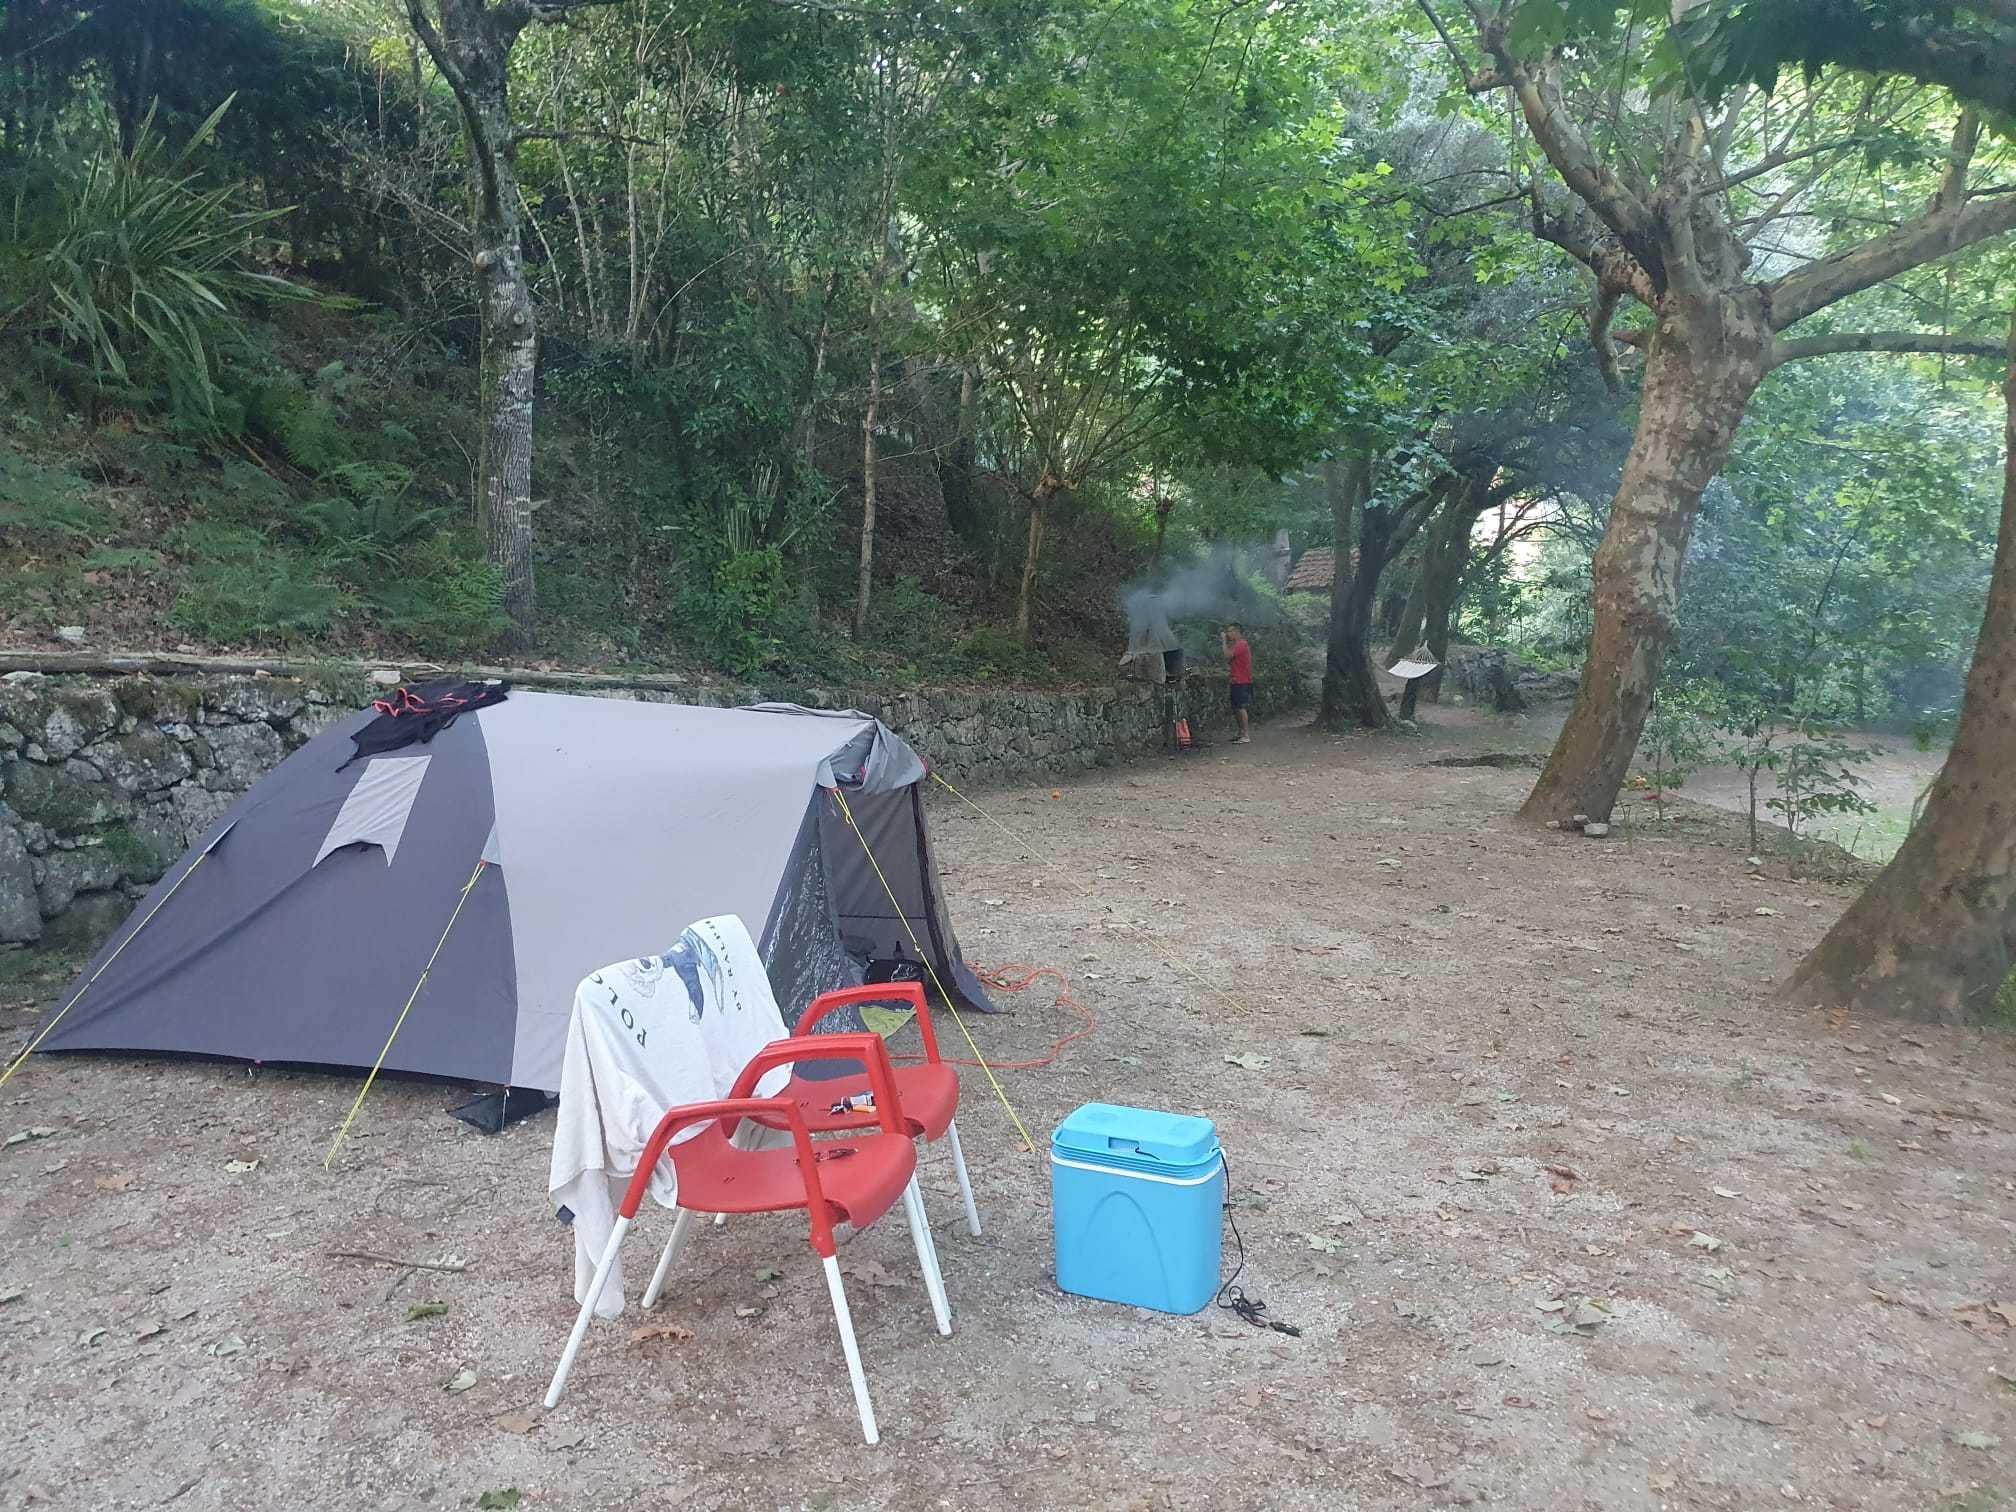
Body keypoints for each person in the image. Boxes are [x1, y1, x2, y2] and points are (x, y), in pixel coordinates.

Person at [1222, 622, 1253, 744]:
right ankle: (1240, 733)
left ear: (1237, 632)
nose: (1228, 634)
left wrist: (1223, 641)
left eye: (1230, 631)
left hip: (1241, 680)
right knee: (1236, 707)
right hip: (1235, 679)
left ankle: (1246, 735)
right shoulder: (1237, 645)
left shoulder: (1241, 644)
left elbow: (1227, 655)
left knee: (1240, 707)